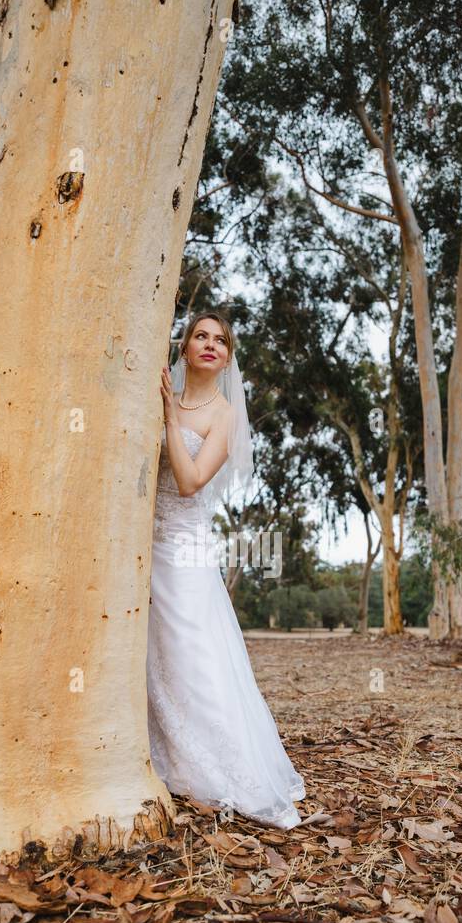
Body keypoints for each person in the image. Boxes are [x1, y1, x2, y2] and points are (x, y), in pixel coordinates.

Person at [146, 310, 306, 829]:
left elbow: (190, 480)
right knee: (153, 655)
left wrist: (170, 416)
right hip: (141, 545)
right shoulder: (153, 391)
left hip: (186, 548)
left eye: (220, 340)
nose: (210, 344)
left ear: (228, 357)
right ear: (186, 345)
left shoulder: (224, 414)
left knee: (194, 652)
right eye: (201, 335)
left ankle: (217, 771)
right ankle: (159, 759)